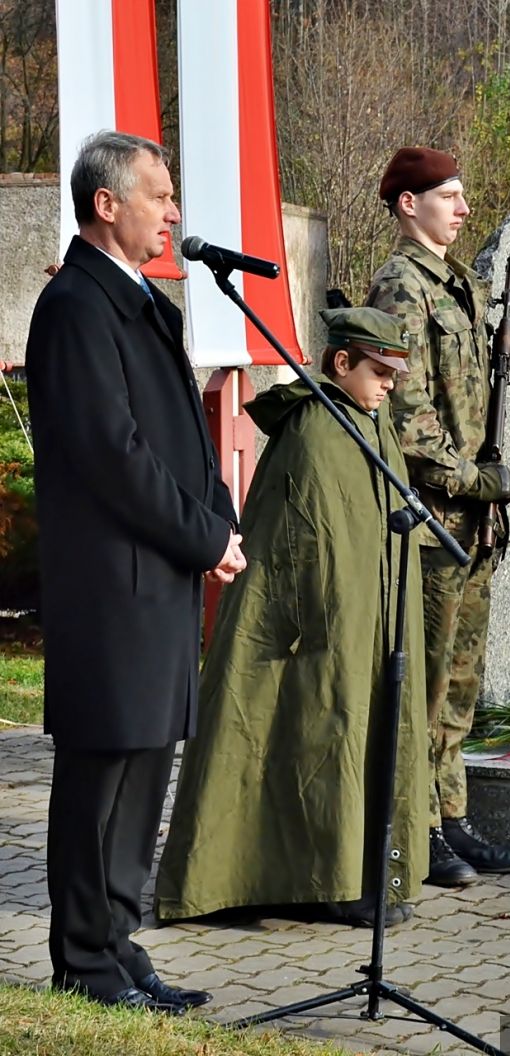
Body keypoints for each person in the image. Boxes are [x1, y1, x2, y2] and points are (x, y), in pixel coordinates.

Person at [25, 130, 246, 1013]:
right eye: (159, 194)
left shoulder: (140, 300)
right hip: (111, 587)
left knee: (146, 767)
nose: (174, 211)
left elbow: (182, 435)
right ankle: (83, 959)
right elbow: (113, 456)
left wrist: (218, 519)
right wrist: (203, 537)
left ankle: (118, 945)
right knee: (103, 775)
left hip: (158, 577)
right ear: (107, 203)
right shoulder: (76, 306)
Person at [154, 307, 429, 929]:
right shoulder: (314, 429)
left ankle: (360, 872)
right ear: (341, 363)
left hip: (367, 618)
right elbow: (300, 540)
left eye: (394, 374)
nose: (389, 384)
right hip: (310, 625)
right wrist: (324, 617)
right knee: (321, 735)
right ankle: (323, 880)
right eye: (379, 371)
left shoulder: (371, 422)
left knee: (356, 733)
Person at [365, 146, 510, 886]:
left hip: (474, 520)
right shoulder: (402, 286)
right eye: (448, 196)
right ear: (409, 204)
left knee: (461, 681)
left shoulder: (459, 283)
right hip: (437, 520)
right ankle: (420, 830)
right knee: (426, 684)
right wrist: (473, 481)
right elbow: (406, 413)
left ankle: (453, 816)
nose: (463, 208)